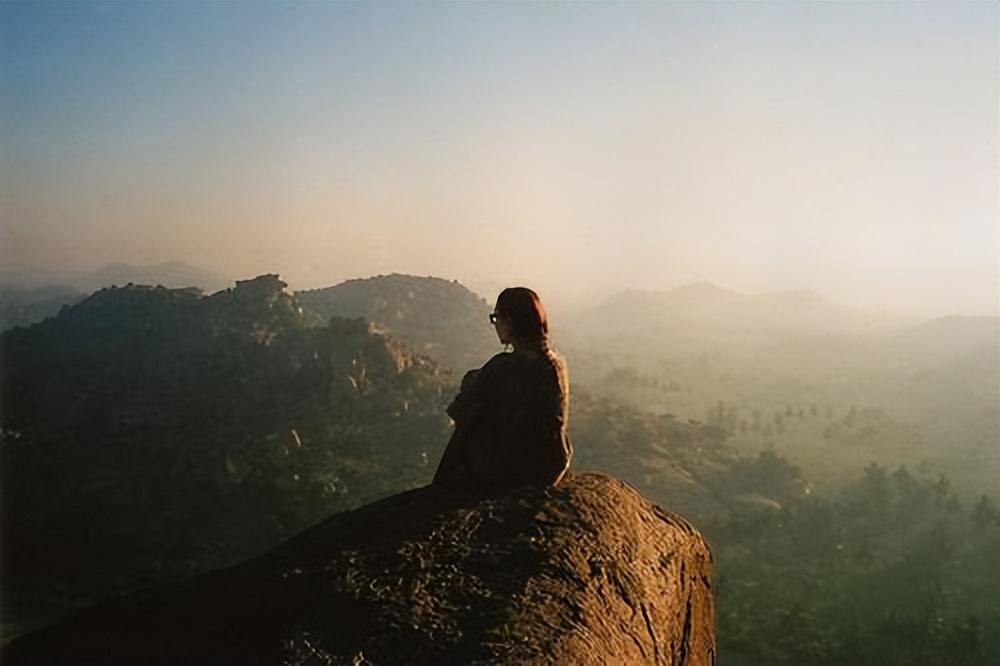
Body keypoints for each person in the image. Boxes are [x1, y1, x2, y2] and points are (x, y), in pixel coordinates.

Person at [432, 287, 572, 492]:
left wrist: (473, 383)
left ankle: (442, 488)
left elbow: (459, 411)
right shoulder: (557, 363)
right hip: (553, 466)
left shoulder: (504, 366)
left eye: (496, 318)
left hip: (518, 473)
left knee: (470, 424)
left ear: (510, 323)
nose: (495, 325)